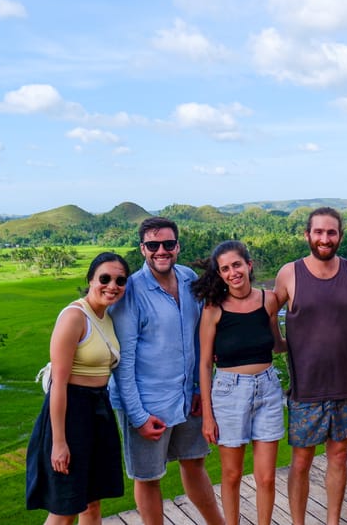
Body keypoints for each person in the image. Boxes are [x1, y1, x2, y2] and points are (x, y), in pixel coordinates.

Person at [109, 217, 224, 525]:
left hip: (187, 396)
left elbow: (201, 341)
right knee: (148, 478)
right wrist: (138, 416)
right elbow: (124, 362)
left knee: (194, 463)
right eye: (153, 245)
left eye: (168, 244)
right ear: (142, 249)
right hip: (148, 402)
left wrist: (201, 390)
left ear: (178, 246)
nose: (161, 251)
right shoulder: (131, 292)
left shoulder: (187, 279)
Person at [273, 206, 347, 525]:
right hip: (307, 387)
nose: (324, 238)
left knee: (339, 456)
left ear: (340, 236)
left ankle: (333, 520)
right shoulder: (289, 273)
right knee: (302, 461)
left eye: (331, 232)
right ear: (307, 234)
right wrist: (278, 343)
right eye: (318, 232)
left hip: (346, 384)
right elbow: (266, 310)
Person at [26, 252, 129, 524]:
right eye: (104, 278)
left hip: (98, 411)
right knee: (65, 508)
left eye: (120, 280)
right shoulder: (74, 317)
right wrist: (59, 443)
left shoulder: (106, 317)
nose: (112, 285)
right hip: (71, 412)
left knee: (92, 503)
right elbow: (58, 384)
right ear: (90, 280)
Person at [193, 240, 286, 525]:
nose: (232, 272)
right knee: (232, 475)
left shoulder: (268, 300)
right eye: (225, 269)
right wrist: (208, 416)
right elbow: (205, 364)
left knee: (266, 476)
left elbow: (278, 344)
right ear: (219, 275)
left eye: (236, 265)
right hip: (229, 392)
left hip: (268, 389)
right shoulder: (214, 309)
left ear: (249, 265)